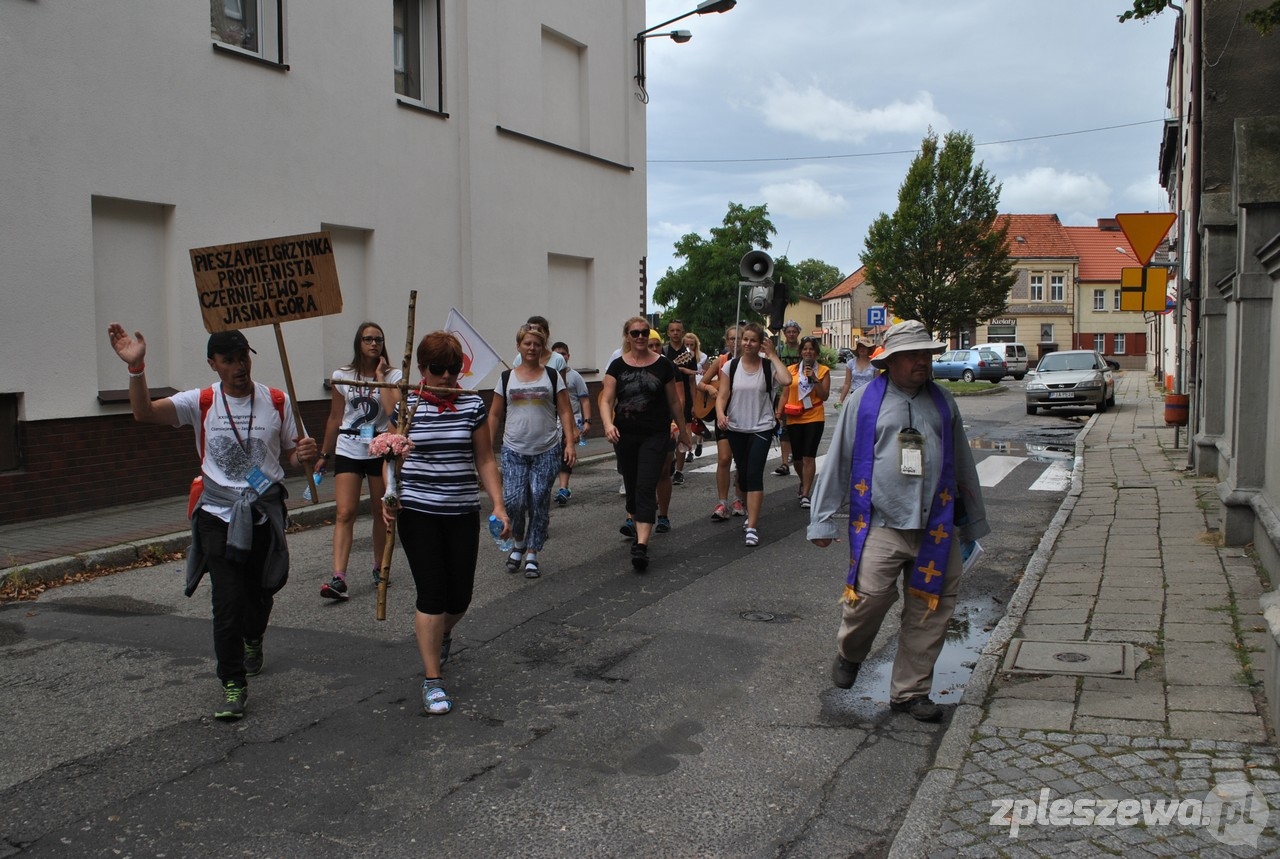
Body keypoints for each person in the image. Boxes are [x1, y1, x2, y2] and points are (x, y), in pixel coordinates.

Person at [106, 323, 318, 721]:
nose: (240, 366)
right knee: (227, 601)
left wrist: (306, 453)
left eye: (244, 357)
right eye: (229, 360)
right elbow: (143, 412)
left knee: (263, 589)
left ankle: (254, 636)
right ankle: (233, 681)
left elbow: (292, 457)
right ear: (213, 364)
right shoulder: (201, 401)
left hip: (263, 512)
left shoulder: (276, 399)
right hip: (217, 515)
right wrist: (136, 369)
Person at [807, 320, 989, 722]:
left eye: (926, 354)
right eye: (913, 355)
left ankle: (910, 693)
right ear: (890, 361)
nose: (922, 361)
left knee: (930, 609)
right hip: (882, 524)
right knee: (868, 599)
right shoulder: (862, 402)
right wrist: (820, 519)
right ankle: (850, 653)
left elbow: (961, 463)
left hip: (936, 528)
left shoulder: (943, 401)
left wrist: (972, 521)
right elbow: (838, 460)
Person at [383, 331, 509, 715]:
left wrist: (498, 505)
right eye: (438, 369)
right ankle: (432, 679)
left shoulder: (471, 405)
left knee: (461, 597)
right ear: (422, 368)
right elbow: (392, 457)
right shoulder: (407, 407)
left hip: (461, 510)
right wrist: (390, 494)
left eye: (454, 369)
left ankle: (444, 632)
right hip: (418, 512)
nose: (446, 376)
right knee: (432, 593)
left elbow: (485, 458)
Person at [315, 322, 402, 599]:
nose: (373, 344)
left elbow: (393, 412)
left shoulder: (394, 375)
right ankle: (339, 577)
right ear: (358, 342)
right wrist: (324, 454)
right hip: (349, 447)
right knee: (345, 512)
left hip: (379, 448)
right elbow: (334, 417)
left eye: (378, 339)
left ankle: (380, 566)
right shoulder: (342, 375)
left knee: (380, 511)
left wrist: (381, 376)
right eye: (368, 339)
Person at [599, 316, 691, 572]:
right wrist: (608, 425)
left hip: (655, 434)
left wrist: (683, 431)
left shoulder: (663, 366)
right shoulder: (617, 366)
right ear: (627, 336)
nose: (640, 337)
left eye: (644, 332)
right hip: (625, 435)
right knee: (631, 483)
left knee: (646, 484)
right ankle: (635, 514)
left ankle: (641, 545)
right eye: (635, 333)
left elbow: (674, 402)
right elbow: (606, 400)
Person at [489, 324, 577, 578]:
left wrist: (569, 442)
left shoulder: (552, 376)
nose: (532, 348)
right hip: (514, 449)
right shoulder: (507, 378)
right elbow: (495, 414)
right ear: (519, 346)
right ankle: (518, 542)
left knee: (539, 498)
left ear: (543, 348)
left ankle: (532, 553)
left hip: (546, 449)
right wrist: (486, 447)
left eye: (537, 344)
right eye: (527, 343)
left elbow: (565, 410)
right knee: (515, 502)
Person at [715, 322, 792, 548]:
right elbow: (722, 395)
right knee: (744, 474)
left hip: (762, 427)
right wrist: (720, 414)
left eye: (753, 340)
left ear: (761, 343)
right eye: (745, 339)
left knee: (755, 474)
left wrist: (773, 355)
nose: (747, 343)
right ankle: (749, 511)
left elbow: (787, 381)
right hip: (736, 427)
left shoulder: (768, 367)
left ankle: (752, 527)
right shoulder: (731, 366)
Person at [696, 325, 746, 520]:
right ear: (727, 341)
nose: (735, 342)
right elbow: (701, 383)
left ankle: (738, 498)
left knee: (741, 461)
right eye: (732, 339)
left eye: (739, 338)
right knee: (724, 458)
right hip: (723, 414)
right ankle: (722, 502)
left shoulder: (752, 361)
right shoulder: (721, 360)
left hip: (744, 416)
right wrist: (710, 389)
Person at [781, 336, 831, 508]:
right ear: (800, 352)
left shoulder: (823, 370)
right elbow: (785, 394)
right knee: (797, 459)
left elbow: (824, 396)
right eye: (805, 349)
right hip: (794, 416)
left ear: (816, 353)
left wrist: (815, 379)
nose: (808, 352)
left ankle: (806, 494)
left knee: (809, 456)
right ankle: (804, 481)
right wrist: (779, 413)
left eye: (811, 349)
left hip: (814, 416)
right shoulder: (791, 370)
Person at [551, 341, 592, 506]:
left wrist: (587, 421)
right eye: (557, 354)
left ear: (568, 356)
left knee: (565, 452)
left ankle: (563, 488)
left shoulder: (575, 377)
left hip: (571, 419)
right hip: (551, 420)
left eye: (564, 354)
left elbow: (585, 400)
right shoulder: (547, 375)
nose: (561, 357)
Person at [662, 318, 697, 486]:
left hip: (684, 398)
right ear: (668, 333)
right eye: (672, 330)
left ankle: (679, 471)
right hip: (664, 398)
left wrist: (695, 404)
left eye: (678, 330)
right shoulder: (662, 351)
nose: (675, 333)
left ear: (683, 333)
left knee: (683, 432)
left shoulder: (688, 354)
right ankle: (667, 464)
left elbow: (691, 381)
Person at [773, 320, 804, 477]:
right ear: (784, 334)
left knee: (799, 427)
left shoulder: (803, 349)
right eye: (789, 332)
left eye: (794, 331)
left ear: (798, 333)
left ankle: (799, 456)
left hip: (801, 392)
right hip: (782, 392)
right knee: (784, 427)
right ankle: (784, 463)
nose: (791, 334)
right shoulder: (779, 350)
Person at [682, 331, 709, 459]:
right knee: (687, 422)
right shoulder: (681, 357)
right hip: (685, 389)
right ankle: (689, 451)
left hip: (699, 389)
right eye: (686, 344)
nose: (689, 347)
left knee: (697, 417)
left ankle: (699, 441)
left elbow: (708, 374)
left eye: (691, 344)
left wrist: (703, 372)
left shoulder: (702, 357)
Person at [838, 336, 878, 406]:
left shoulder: (874, 363)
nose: (862, 349)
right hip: (854, 396)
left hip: (869, 396)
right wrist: (841, 400)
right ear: (857, 349)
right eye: (860, 347)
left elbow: (877, 384)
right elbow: (847, 384)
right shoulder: (851, 363)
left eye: (864, 347)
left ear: (868, 349)